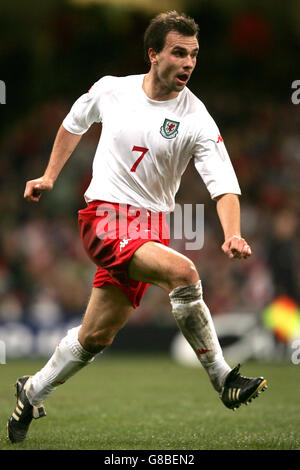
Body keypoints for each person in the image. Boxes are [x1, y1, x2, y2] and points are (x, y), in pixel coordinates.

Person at [8, 11, 267, 444]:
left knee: (95, 337)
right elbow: (75, 123)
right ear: (153, 54)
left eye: (195, 55)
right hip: (106, 218)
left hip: (151, 229)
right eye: (178, 53)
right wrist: (49, 175)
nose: (188, 63)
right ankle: (223, 378)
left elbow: (223, 184)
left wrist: (232, 233)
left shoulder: (197, 118)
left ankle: (31, 390)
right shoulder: (113, 90)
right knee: (184, 274)